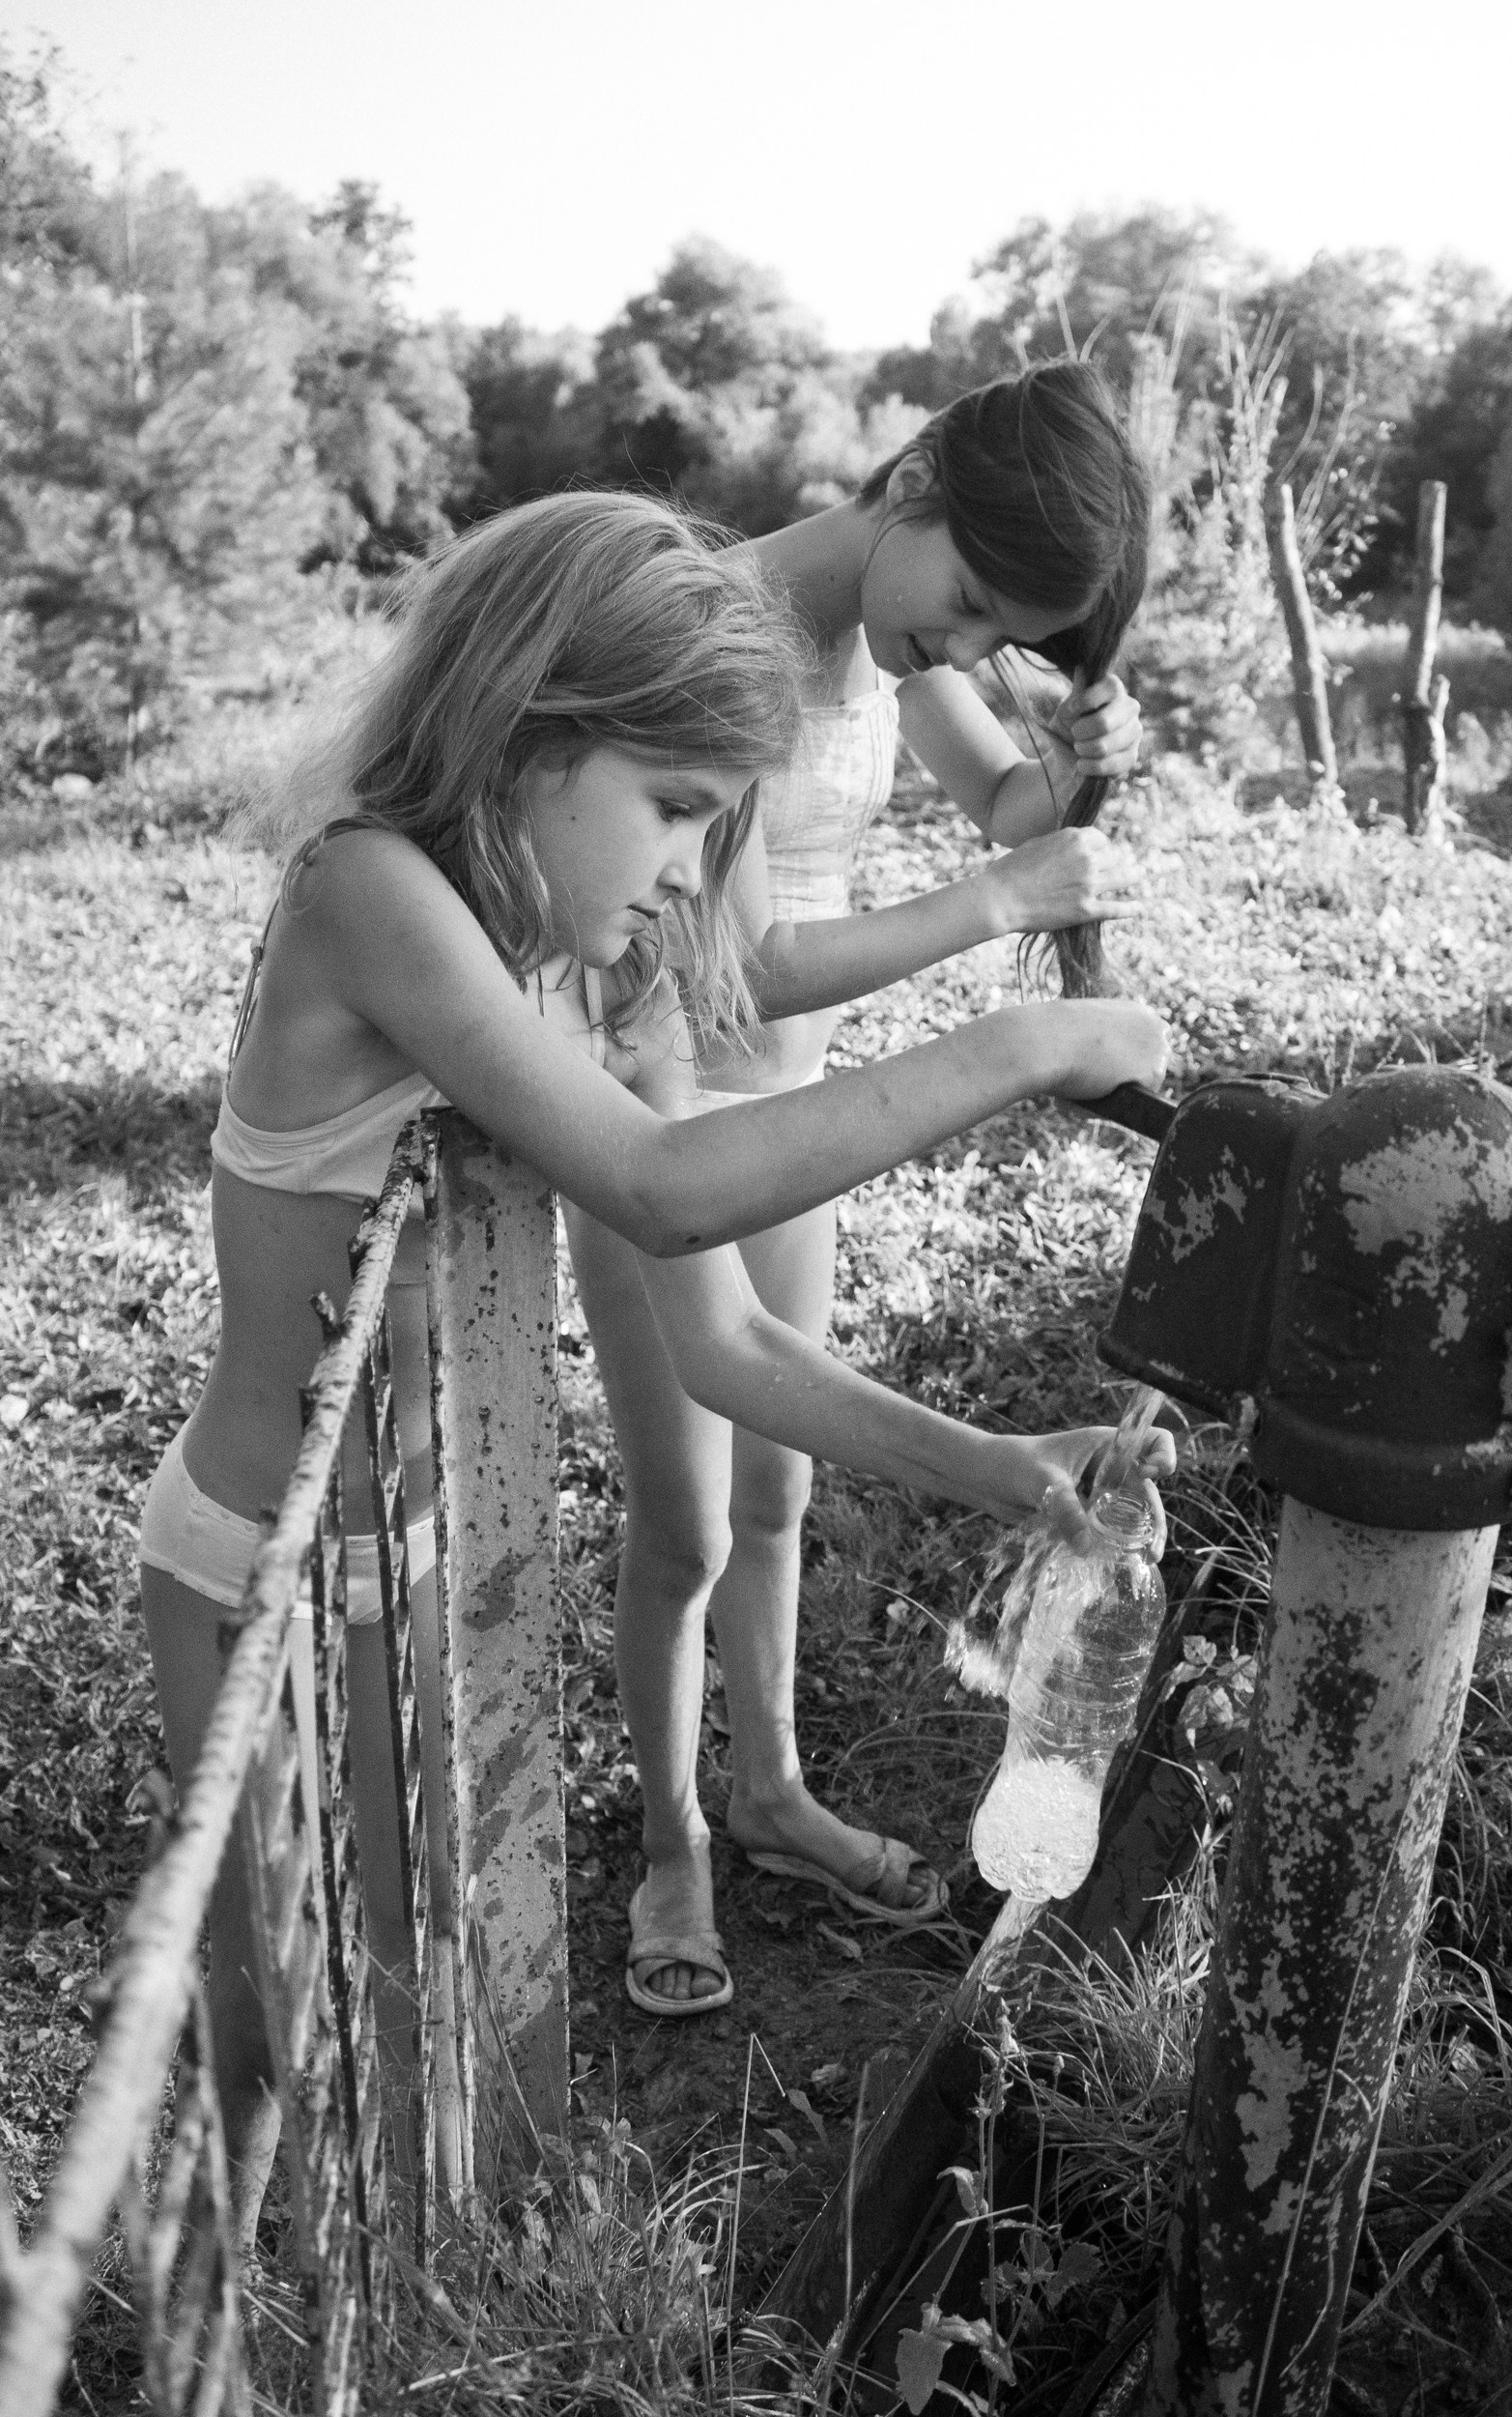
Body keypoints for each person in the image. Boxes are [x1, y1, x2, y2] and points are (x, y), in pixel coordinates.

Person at [135, 488, 1171, 2232]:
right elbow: (660, 1189)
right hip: (263, 1574)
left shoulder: (593, 982)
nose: (694, 874)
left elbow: (731, 1340)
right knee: (270, 2018)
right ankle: (277, 2284)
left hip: (422, 1570)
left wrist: (999, 1466)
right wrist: (1018, 1042)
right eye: (676, 810)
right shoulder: (374, 894)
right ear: (531, 733)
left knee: (412, 1971)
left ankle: (425, 2281)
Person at [566, 361, 1158, 2007]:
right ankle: (673, 1842)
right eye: (971, 608)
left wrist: (1084, 766)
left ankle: (771, 1791)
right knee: (681, 1523)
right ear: (912, 486)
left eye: (1000, 643)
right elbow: (750, 969)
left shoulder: (887, 638)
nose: (966, 655)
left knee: (778, 1491)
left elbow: (1012, 801)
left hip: (799, 1120)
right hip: (666, 1122)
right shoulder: (730, 634)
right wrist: (994, 906)